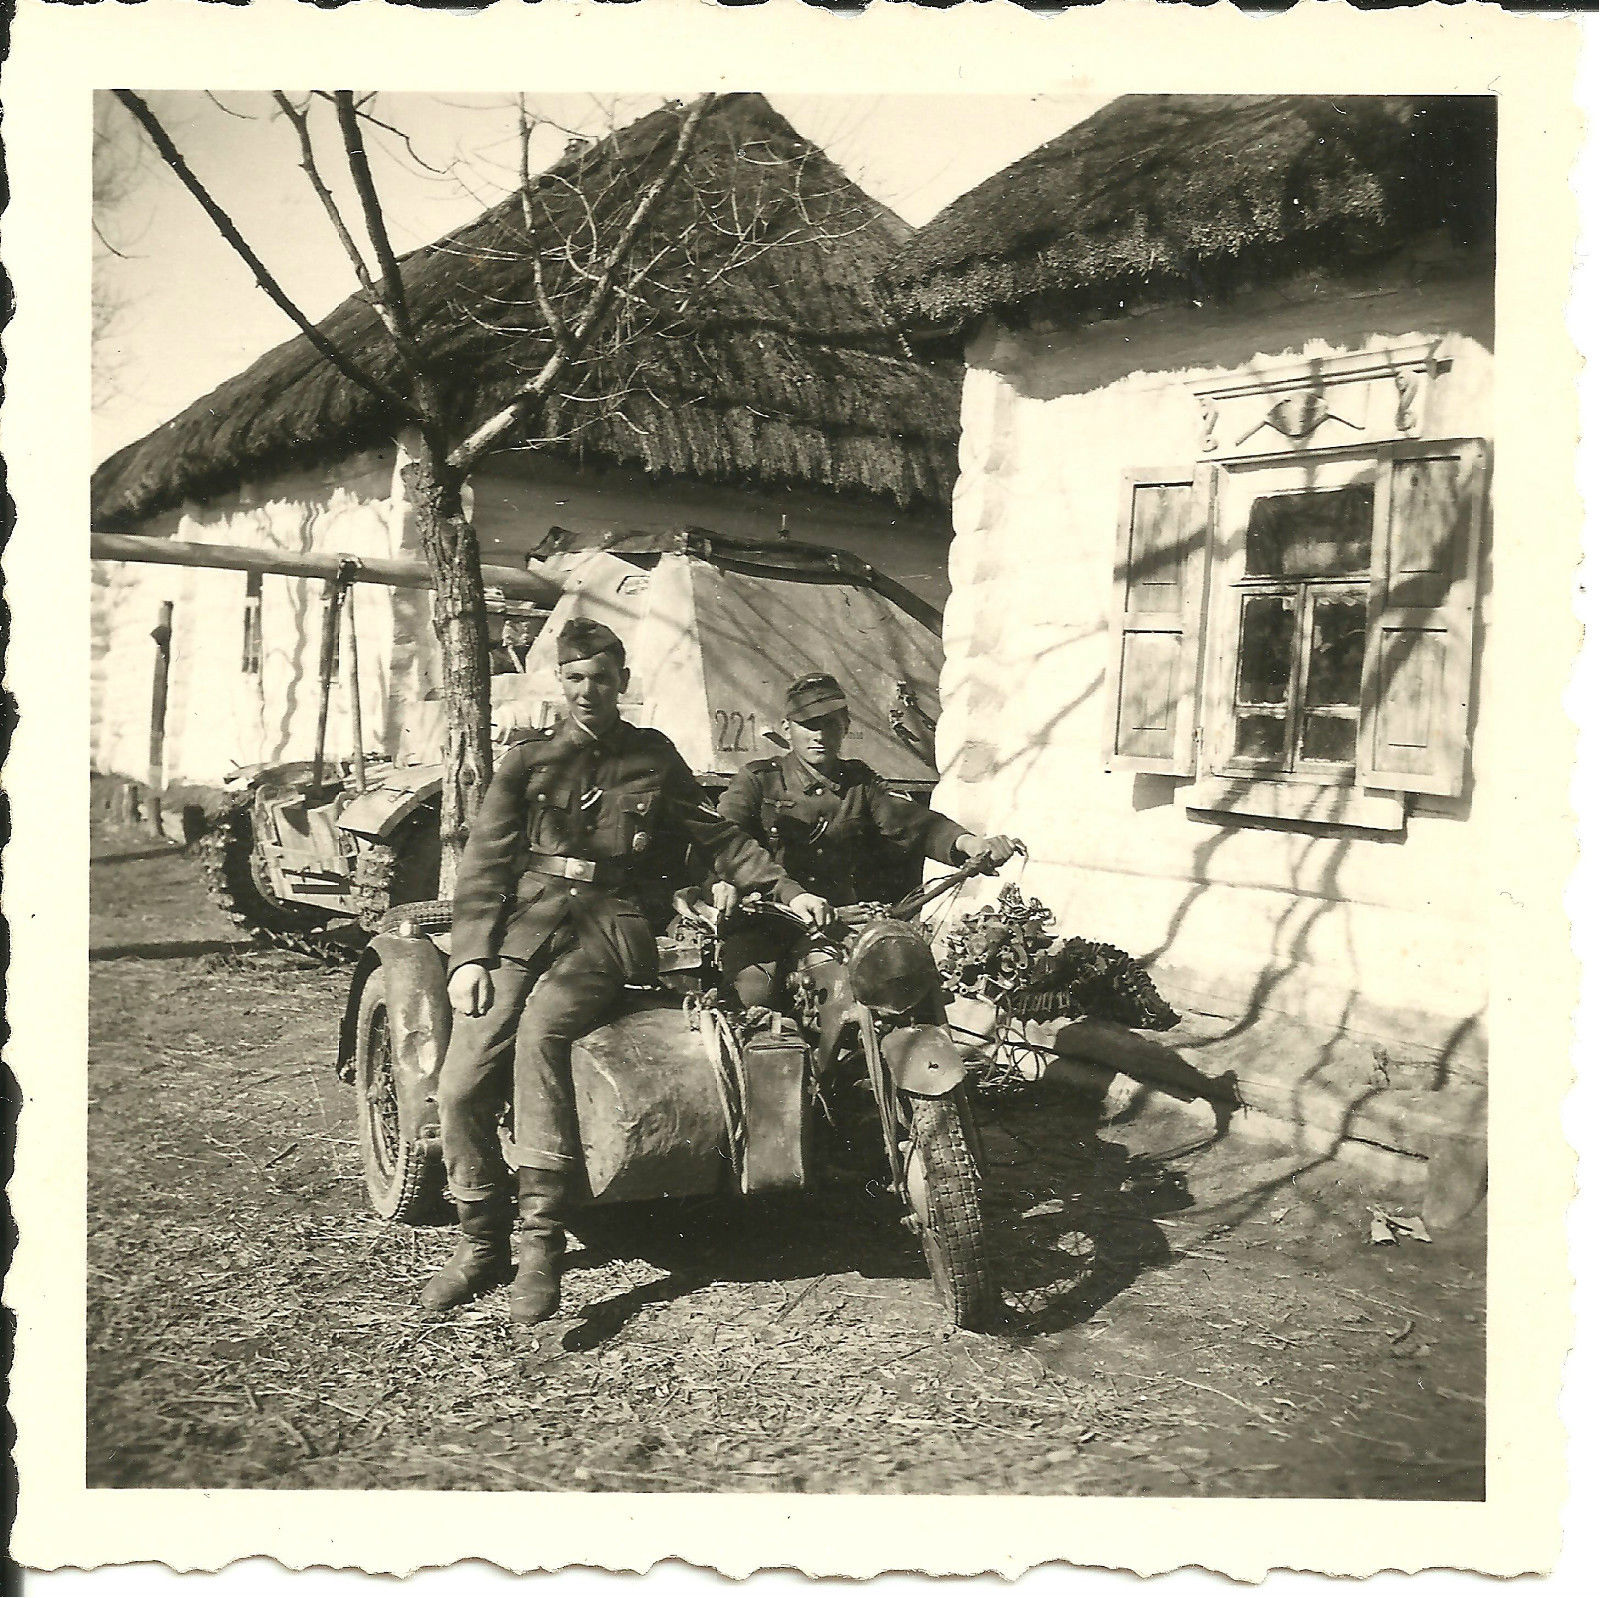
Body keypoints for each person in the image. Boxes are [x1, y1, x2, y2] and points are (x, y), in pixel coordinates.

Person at [425, 618, 829, 1324]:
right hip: (526, 928)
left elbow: (718, 837)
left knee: (542, 1036)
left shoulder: (651, 757)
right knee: (459, 1084)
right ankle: (480, 1241)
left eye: (602, 678)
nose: (589, 691)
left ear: (622, 683)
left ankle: (541, 1244)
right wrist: (470, 958)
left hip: (609, 931)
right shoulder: (527, 762)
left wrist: (787, 889)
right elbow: (485, 864)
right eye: (576, 678)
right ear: (560, 681)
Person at [708, 671, 1024, 1008]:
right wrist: (722, 882)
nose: (820, 735)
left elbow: (911, 822)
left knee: (900, 983)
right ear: (787, 728)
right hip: (765, 921)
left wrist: (970, 844)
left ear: (845, 727)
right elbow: (722, 838)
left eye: (830, 724)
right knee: (755, 992)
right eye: (808, 725)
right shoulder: (759, 780)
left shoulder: (858, 783)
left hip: (837, 920)